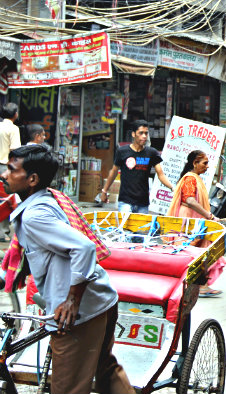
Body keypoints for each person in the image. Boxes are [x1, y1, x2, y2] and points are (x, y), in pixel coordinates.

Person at [2, 145, 134, 394]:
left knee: (67, 388)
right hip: (102, 299)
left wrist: (72, 300)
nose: (4, 175)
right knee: (107, 370)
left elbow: (84, 248)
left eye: (11, 170)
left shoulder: (34, 216)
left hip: (80, 314)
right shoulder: (45, 198)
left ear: (32, 179)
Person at [167, 150, 226, 297]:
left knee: (199, 251)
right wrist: (209, 215)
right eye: (204, 163)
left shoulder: (195, 178)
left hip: (194, 219)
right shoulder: (190, 179)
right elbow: (189, 200)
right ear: (194, 163)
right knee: (192, 252)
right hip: (188, 219)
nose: (207, 166)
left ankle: (200, 285)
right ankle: (196, 285)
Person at [101, 120, 174, 212]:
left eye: (146, 133)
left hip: (143, 203)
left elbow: (161, 175)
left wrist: (172, 188)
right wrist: (104, 191)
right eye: (141, 133)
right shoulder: (122, 151)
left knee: (142, 227)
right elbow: (114, 172)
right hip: (125, 201)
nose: (144, 136)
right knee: (124, 226)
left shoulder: (151, 153)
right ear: (133, 134)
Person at [0, 103, 21, 242]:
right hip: (4, 167)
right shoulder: (13, 129)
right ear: (15, 114)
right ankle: (2, 232)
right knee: (5, 200)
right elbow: (15, 151)